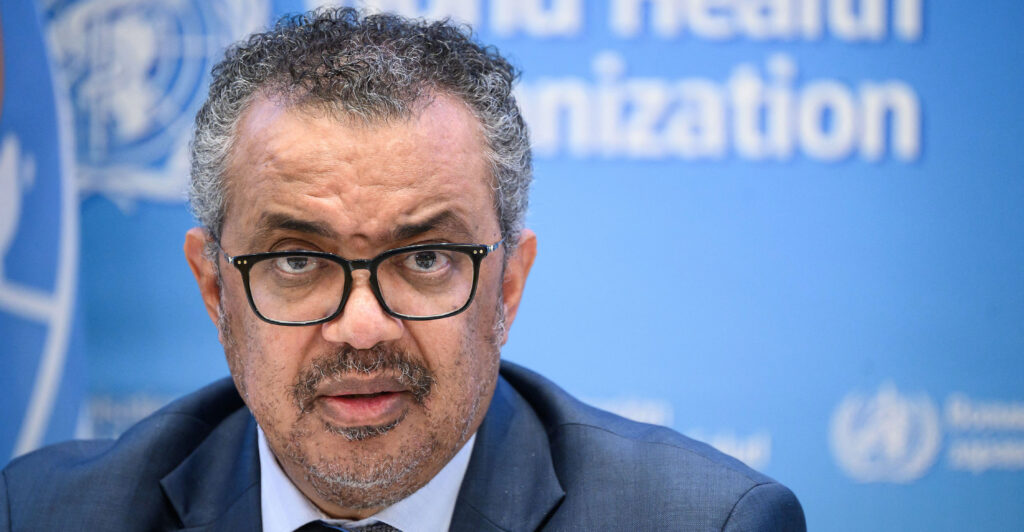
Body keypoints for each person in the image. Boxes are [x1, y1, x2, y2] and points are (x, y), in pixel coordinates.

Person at [0, 8, 805, 531]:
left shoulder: (703, 524)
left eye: (424, 258)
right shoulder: (49, 515)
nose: (361, 326)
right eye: (297, 260)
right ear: (215, 290)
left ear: (509, 287)